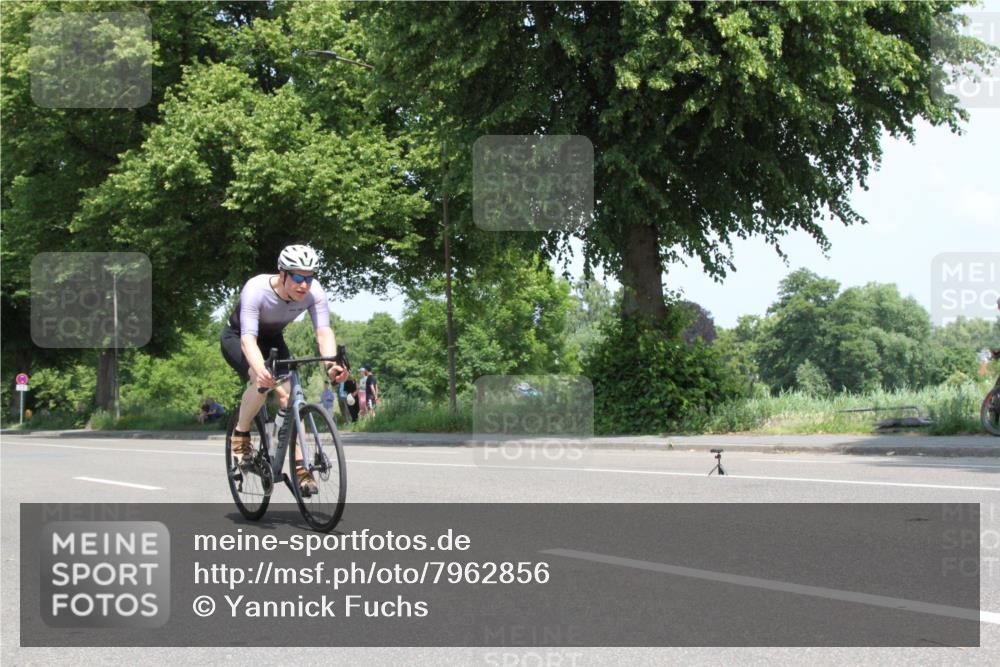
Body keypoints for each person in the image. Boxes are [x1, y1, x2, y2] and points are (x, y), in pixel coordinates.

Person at [220, 244, 348, 494]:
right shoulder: (256, 289)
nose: (304, 285)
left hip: (272, 340)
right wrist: (261, 370)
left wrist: (331, 365)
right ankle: (241, 433)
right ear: (282, 274)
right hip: (239, 337)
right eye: (298, 278)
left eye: (309, 278)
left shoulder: (314, 292)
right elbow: (248, 340)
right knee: (262, 382)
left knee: (290, 399)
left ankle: (299, 467)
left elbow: (323, 332)